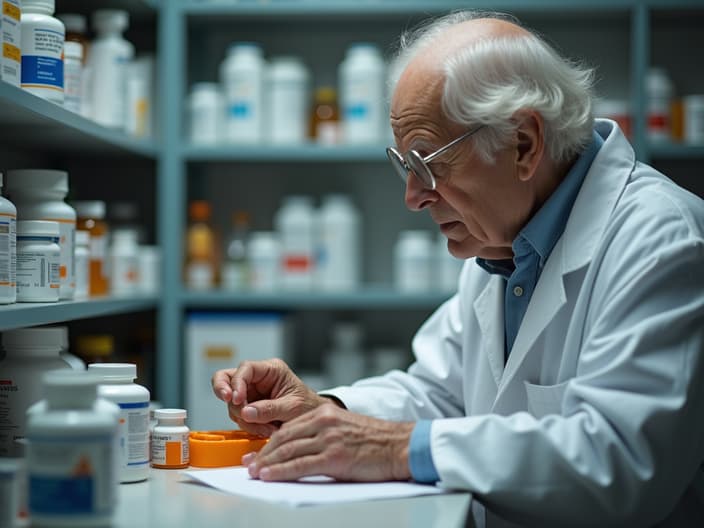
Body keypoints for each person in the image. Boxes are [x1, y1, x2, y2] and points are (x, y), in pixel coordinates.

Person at [212, 10, 704, 527]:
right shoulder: (504, 241)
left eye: (427, 164)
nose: (412, 197)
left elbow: (618, 462)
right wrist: (322, 410)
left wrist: (399, 449)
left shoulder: (663, 241)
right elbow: (440, 394)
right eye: (405, 166)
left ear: (524, 144)